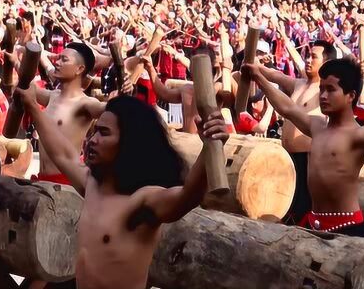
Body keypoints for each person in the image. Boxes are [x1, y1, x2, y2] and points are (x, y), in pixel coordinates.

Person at [16, 87, 228, 289]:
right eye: (94, 131)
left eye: (104, 133)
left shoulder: (142, 201)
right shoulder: (91, 184)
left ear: (128, 143)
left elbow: (188, 195)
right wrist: (32, 105)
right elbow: (62, 154)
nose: (92, 140)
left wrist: (210, 144)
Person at [241, 57, 364, 236]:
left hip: (347, 227)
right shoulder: (317, 126)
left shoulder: (361, 135)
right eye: (321, 89)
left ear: (351, 96)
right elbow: (287, 108)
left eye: (330, 90)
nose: (323, 96)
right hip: (313, 222)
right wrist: (258, 76)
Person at [254, 40, 337, 224]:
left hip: (308, 158)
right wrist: (256, 66)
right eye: (307, 55)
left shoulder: (324, 91)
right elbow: (274, 75)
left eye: (313, 57)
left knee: (303, 211)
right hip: (287, 157)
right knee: (283, 208)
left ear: (326, 63)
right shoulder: (298, 84)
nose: (308, 60)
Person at [31, 42, 106, 185]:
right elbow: (25, 88)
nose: (57, 63)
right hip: (41, 180)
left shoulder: (85, 103)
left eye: (64, 60)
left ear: (79, 69)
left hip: (66, 184)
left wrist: (123, 96)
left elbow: (107, 109)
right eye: (58, 58)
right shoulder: (51, 96)